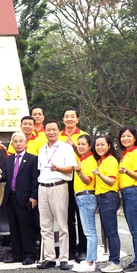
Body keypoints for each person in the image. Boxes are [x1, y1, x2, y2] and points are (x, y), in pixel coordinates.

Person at [0, 132, 39, 265]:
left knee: (26, 228)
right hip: (11, 197)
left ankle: (30, 255)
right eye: (15, 142)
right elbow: (6, 175)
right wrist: (0, 177)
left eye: (20, 141)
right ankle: (17, 254)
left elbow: (35, 180)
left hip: (25, 198)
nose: (18, 144)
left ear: (25, 143)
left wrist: (33, 196)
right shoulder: (8, 159)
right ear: (12, 144)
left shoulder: (33, 159)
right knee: (14, 227)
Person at [36, 120, 75, 270]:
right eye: (48, 130)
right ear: (44, 131)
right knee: (45, 225)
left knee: (62, 224)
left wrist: (58, 168)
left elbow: (70, 169)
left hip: (58, 186)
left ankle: (64, 258)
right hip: (43, 187)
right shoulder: (41, 149)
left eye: (54, 129)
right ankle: (49, 257)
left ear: (59, 131)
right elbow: (41, 170)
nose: (51, 132)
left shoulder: (65, 148)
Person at [117, 126, 137, 273]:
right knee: (133, 229)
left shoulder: (136, 153)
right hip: (126, 192)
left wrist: (126, 171)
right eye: (123, 136)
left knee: (136, 230)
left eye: (129, 136)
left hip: (133, 192)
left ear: (135, 138)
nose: (125, 138)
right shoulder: (125, 154)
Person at [92, 134, 122, 273]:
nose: (99, 147)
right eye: (97, 144)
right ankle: (112, 260)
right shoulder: (102, 161)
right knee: (109, 231)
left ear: (109, 146)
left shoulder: (110, 160)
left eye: (102, 144)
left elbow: (111, 181)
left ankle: (115, 262)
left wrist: (98, 174)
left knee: (111, 232)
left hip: (109, 197)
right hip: (103, 198)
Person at [61, 107, 88, 262]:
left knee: (82, 216)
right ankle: (71, 249)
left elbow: (87, 156)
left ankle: (83, 249)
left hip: (80, 179)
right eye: (66, 116)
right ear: (63, 119)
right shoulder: (57, 136)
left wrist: (73, 147)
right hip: (64, 180)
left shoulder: (83, 136)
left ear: (77, 119)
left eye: (73, 116)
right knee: (68, 217)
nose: (69, 119)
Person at [71, 134, 98, 272]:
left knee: (89, 232)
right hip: (81, 197)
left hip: (86, 196)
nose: (80, 147)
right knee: (88, 231)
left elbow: (88, 180)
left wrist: (80, 172)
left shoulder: (90, 161)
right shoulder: (83, 159)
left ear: (90, 146)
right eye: (79, 144)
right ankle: (89, 259)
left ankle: (90, 262)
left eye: (83, 144)